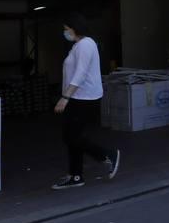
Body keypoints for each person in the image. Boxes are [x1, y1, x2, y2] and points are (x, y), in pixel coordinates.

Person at [51, 13, 120, 190]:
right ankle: (75, 175)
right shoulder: (78, 46)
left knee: (71, 136)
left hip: (83, 98)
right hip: (77, 97)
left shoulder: (86, 45)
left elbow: (80, 74)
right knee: (72, 137)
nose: (65, 32)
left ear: (75, 28)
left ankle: (108, 155)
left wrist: (65, 98)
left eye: (67, 29)